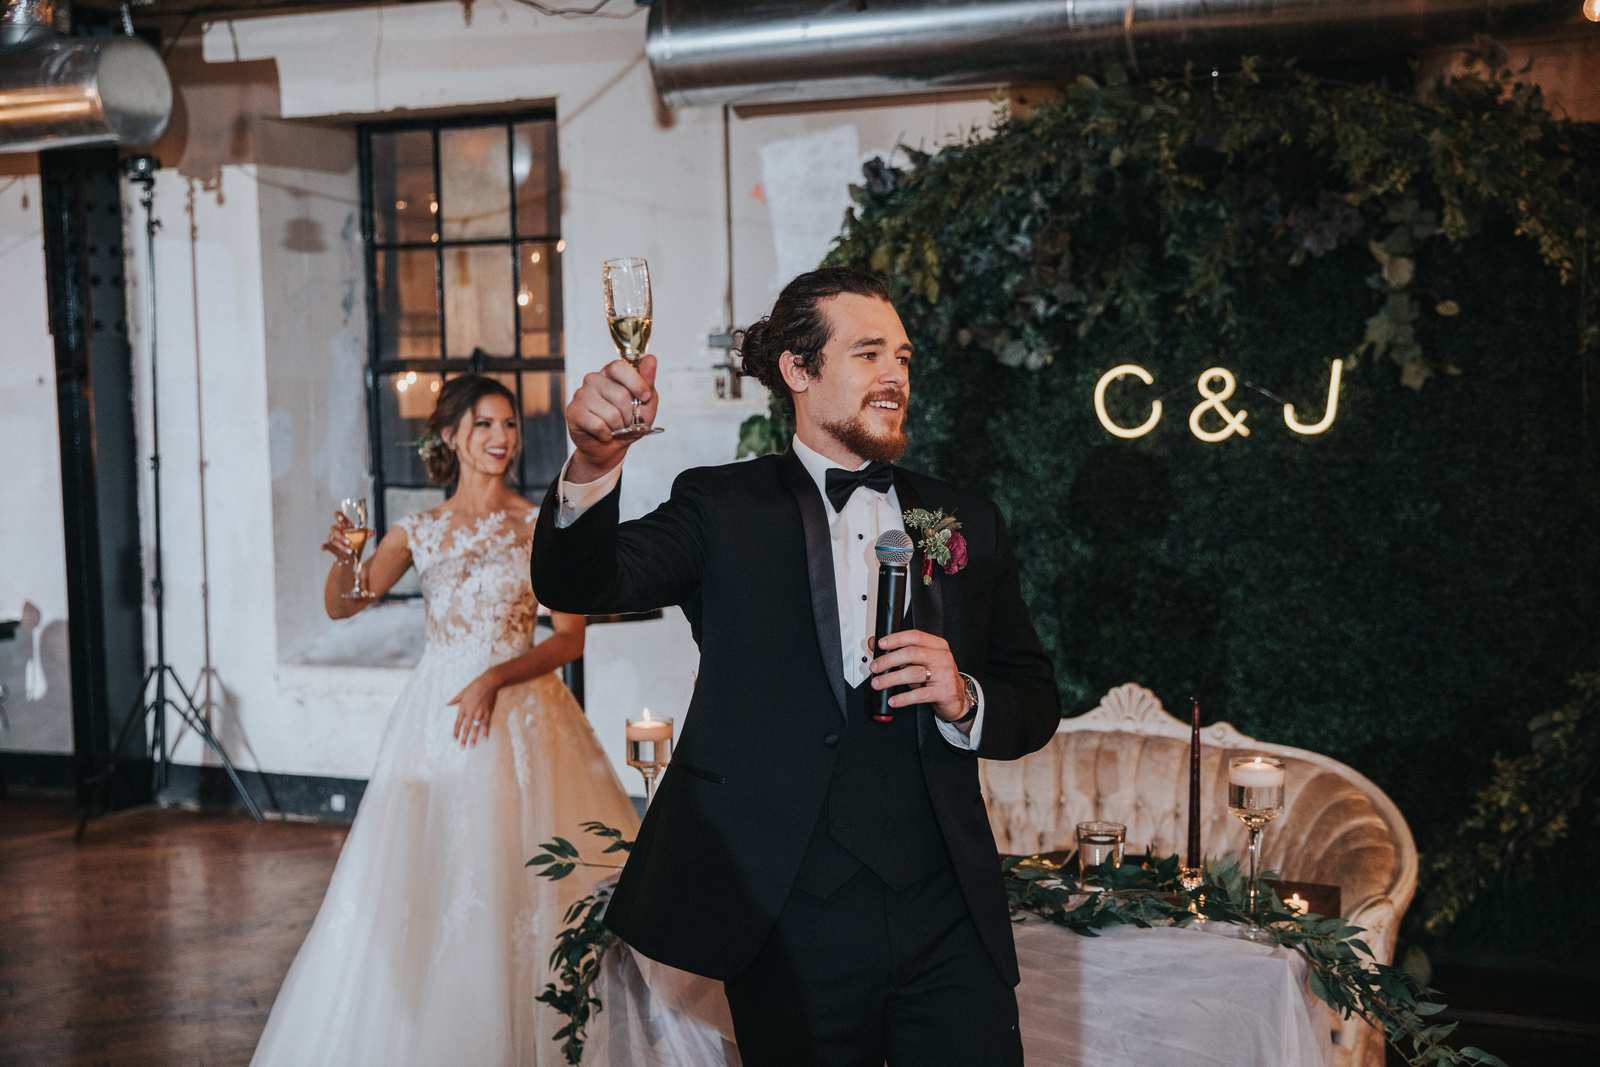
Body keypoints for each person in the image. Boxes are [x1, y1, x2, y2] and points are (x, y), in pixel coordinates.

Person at [533, 268, 1059, 1065]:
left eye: (904, 358)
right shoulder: (721, 506)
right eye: (869, 353)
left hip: (948, 912)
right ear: (798, 370)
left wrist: (966, 697)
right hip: (786, 916)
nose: (895, 375)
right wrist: (592, 462)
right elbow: (581, 582)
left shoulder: (967, 520)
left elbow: (1036, 699)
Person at [252, 375, 639, 1067]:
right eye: (485, 424)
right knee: (431, 877)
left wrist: (494, 677)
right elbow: (345, 604)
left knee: (530, 874)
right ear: (452, 437)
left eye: (509, 424)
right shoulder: (419, 530)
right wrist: (346, 560)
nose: (501, 437)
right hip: (437, 721)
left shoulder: (539, 524)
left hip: (524, 716)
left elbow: (569, 639)